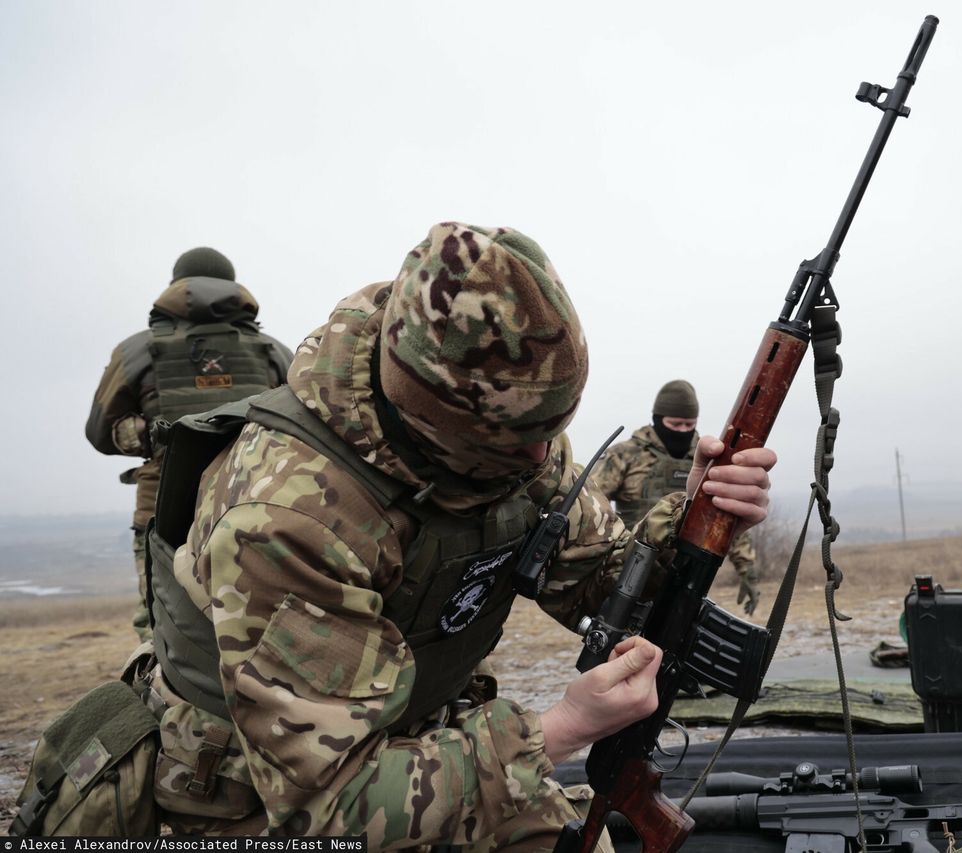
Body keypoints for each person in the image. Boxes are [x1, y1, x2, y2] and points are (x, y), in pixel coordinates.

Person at [135, 223, 776, 848]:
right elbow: (329, 807)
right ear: (431, 418)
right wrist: (563, 728)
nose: (540, 460)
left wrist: (692, 519)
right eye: (514, 444)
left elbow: (596, 579)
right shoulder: (289, 515)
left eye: (547, 432)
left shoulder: (504, 432)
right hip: (256, 802)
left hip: (425, 738)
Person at [85, 248, 293, 640]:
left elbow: (100, 432)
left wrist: (151, 431)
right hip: (257, 505)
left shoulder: (135, 351)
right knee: (259, 623)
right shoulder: (275, 352)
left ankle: (161, 698)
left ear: (175, 286)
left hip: (165, 509)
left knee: (162, 628)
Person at [594, 380, 762, 615]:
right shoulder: (625, 455)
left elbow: (725, 516)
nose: (682, 430)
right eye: (675, 423)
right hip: (631, 570)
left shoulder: (708, 459)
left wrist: (747, 571)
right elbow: (591, 505)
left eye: (689, 424)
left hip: (688, 575)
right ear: (657, 419)